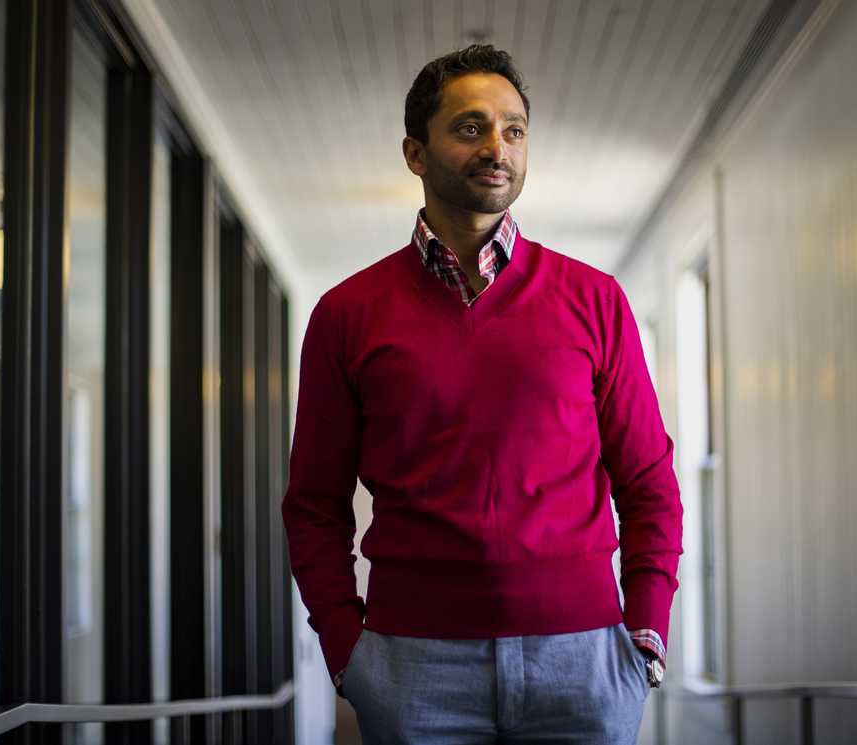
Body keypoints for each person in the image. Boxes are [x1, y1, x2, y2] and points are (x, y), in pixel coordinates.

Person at [282, 44, 683, 744]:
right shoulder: (346, 314)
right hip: (414, 666)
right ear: (415, 152)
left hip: (584, 662)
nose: (497, 146)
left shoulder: (595, 300)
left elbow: (648, 480)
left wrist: (644, 635)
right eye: (470, 127)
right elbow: (313, 506)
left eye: (514, 129)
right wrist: (350, 653)